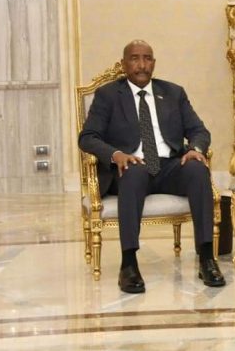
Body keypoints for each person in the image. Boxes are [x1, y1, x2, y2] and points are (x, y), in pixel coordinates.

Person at [79, 40, 225, 293]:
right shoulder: (108, 95)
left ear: (154, 63)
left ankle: (206, 259)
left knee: (197, 169)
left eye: (147, 58)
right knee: (133, 172)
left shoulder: (173, 93)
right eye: (135, 58)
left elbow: (199, 131)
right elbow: (88, 137)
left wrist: (195, 149)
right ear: (124, 64)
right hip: (132, 166)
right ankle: (129, 264)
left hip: (169, 166)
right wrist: (116, 154)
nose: (142, 64)